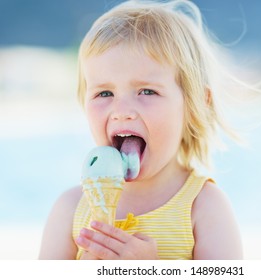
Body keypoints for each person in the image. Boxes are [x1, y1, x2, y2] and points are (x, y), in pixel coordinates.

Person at [39, 0, 243, 260]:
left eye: (147, 91)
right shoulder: (69, 210)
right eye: (104, 93)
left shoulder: (204, 208)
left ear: (194, 105)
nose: (122, 110)